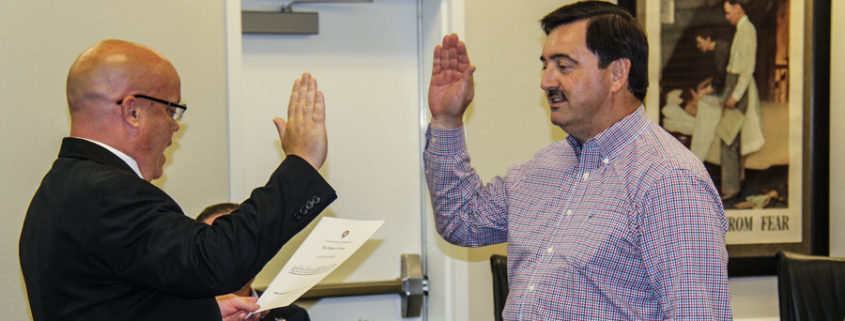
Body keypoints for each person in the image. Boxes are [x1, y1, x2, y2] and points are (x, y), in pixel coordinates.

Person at [424, 1, 731, 319]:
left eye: (564, 66)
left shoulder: (670, 181)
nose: (546, 81)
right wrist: (446, 120)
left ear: (617, 73)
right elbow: (464, 222)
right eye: (545, 65)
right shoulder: (545, 166)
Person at [19, 39, 336, 321]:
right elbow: (214, 261)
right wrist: (301, 163)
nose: (175, 127)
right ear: (133, 111)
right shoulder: (108, 192)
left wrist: (208, 312)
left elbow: (117, 304)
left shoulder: (59, 189)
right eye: (172, 110)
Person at [197, 203, 311, 321]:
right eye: (222, 245)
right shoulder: (182, 312)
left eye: (244, 243)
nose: (234, 255)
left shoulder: (291, 315)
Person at [719, 0, 764, 200]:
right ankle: (734, 184)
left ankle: (731, 189)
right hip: (732, 82)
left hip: (739, 86)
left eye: (729, 12)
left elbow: (747, 69)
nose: (727, 17)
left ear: (738, 8)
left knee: (728, 137)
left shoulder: (747, 30)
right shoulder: (740, 29)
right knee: (731, 137)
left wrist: (735, 95)